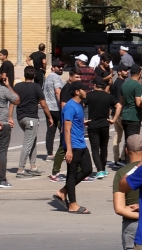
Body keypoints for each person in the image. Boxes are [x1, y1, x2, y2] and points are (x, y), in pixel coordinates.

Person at [54, 80, 92, 214]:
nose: (86, 91)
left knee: (87, 169)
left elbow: (74, 123)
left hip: (81, 143)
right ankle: (72, 204)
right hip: (73, 145)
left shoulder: (78, 105)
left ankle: (63, 191)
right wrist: (68, 150)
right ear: (77, 92)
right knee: (72, 174)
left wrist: (82, 123)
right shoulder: (70, 107)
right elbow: (66, 129)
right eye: (83, 89)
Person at [113, 134, 142, 250]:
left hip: (131, 224)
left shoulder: (121, 173)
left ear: (126, 151)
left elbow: (119, 208)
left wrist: (140, 215)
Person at [14, 66, 50, 178]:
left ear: (24, 75)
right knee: (28, 143)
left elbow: (13, 101)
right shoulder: (36, 87)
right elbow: (43, 104)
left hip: (20, 118)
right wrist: (49, 117)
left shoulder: (18, 86)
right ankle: (21, 169)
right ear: (34, 76)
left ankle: (33, 166)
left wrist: (10, 116)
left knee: (32, 140)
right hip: (31, 118)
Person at [86, 78, 120, 178]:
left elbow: (80, 105)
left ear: (94, 85)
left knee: (95, 148)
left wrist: (82, 120)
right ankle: (103, 168)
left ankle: (99, 170)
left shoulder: (89, 95)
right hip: (104, 124)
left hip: (93, 124)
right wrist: (114, 119)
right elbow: (119, 106)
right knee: (104, 147)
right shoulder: (108, 96)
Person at [43, 60, 64, 160]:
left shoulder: (48, 77)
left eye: (62, 66)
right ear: (53, 68)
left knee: (50, 131)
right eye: (59, 67)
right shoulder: (56, 77)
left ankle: (49, 154)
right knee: (63, 130)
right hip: (56, 108)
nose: (61, 68)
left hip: (48, 108)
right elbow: (57, 91)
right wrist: (62, 104)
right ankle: (62, 153)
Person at [120, 64, 142, 138]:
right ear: (139, 73)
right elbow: (138, 103)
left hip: (125, 116)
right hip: (134, 117)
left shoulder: (124, 84)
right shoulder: (137, 86)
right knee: (133, 141)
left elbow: (121, 101)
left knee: (127, 140)